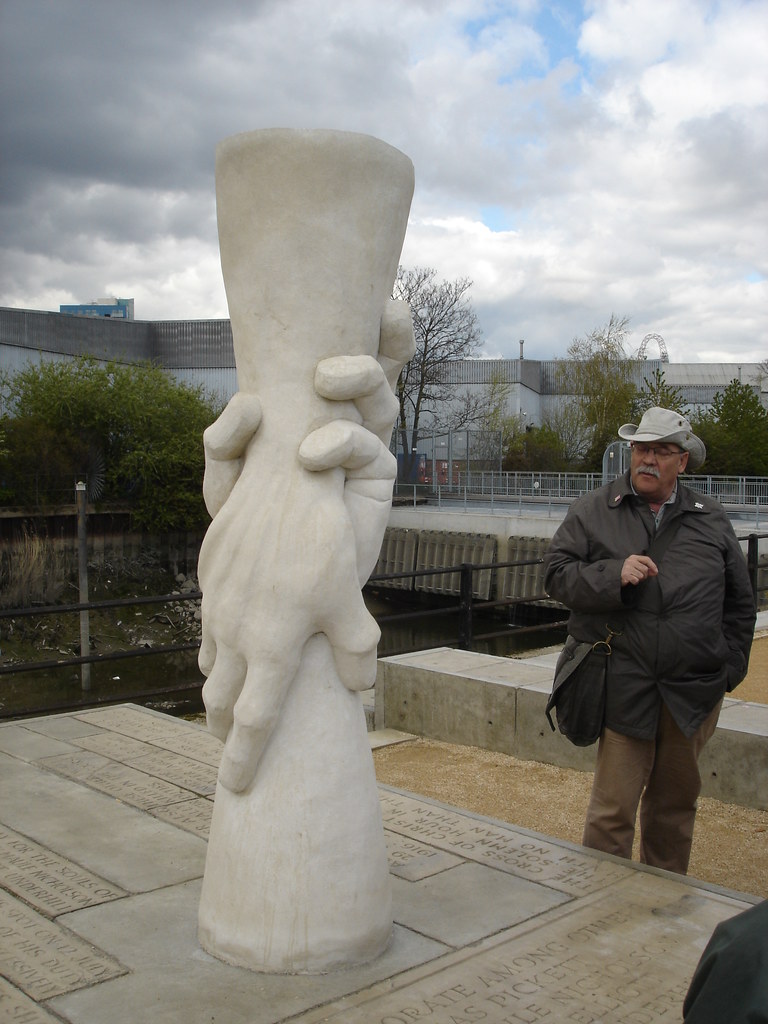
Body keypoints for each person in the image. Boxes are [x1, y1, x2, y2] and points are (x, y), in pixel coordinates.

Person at [544, 407, 755, 874]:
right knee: (611, 811)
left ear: (682, 461)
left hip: (693, 690)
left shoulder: (711, 517)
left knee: (674, 809)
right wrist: (611, 574)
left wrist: (728, 669)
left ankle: (661, 908)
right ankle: (603, 908)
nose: (648, 459)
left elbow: (740, 603)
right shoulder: (594, 510)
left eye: (662, 451)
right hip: (624, 684)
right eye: (642, 449)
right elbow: (555, 577)